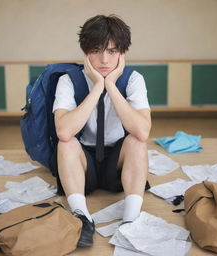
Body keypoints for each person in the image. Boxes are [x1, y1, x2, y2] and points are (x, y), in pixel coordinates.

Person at [52, 14, 151, 247]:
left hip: (116, 163)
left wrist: (112, 86)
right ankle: (82, 218)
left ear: (123, 53)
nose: (104, 59)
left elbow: (143, 131)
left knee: (138, 142)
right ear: (85, 52)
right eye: (96, 50)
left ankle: (130, 220)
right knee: (66, 144)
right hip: (83, 164)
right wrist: (97, 87)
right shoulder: (68, 80)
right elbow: (64, 132)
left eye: (113, 51)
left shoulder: (133, 79)